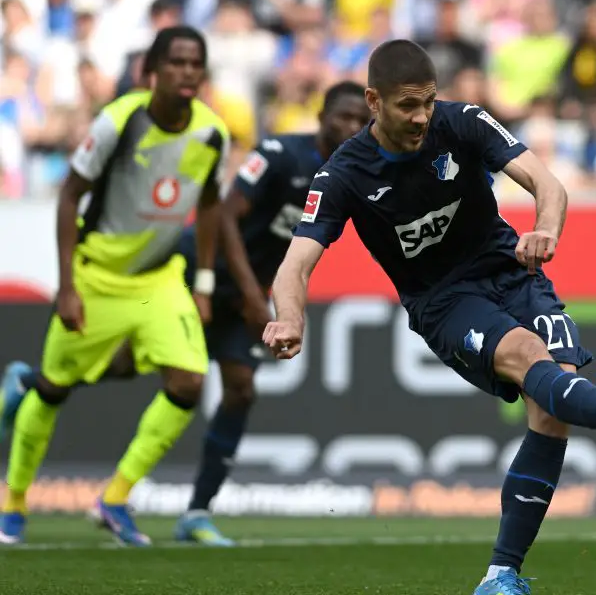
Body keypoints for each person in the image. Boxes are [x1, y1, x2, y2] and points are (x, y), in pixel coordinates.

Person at [263, 39, 596, 595]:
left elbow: (549, 184)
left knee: (550, 412)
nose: (422, 116)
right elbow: (295, 264)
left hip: (512, 270)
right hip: (445, 302)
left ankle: (500, 575)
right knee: (530, 358)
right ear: (373, 101)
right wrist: (290, 318)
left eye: (427, 101)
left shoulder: (464, 122)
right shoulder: (342, 174)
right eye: (407, 105)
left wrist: (546, 229)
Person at [1, 81, 371, 547]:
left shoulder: (357, 172)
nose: (353, 127)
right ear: (320, 116)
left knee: (238, 388)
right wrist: (250, 294)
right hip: (201, 273)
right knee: (130, 365)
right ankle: (36, 384)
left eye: (363, 121)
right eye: (345, 117)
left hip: (246, 294)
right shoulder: (279, 153)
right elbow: (228, 215)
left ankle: (194, 512)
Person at [0, 26, 229, 546]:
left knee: (189, 382)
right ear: (153, 69)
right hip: (97, 274)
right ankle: (13, 502)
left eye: (196, 63)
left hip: (158, 279)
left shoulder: (213, 133)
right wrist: (66, 286)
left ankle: (115, 497)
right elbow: (68, 196)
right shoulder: (119, 121)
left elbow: (212, 203)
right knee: (53, 389)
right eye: (177, 62)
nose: (188, 72)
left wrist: (206, 283)